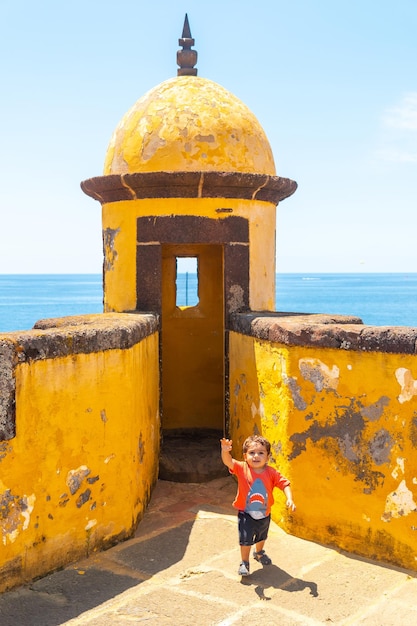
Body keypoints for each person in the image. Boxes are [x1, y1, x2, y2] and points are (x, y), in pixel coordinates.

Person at [220, 434, 296, 577]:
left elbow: (285, 484)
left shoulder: (272, 473)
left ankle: (259, 552)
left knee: (261, 537)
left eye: (261, 453)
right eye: (252, 453)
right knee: (245, 540)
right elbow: (228, 461)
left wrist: (290, 498)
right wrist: (225, 450)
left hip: (264, 513)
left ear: (267, 457)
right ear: (245, 456)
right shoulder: (242, 468)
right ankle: (244, 562)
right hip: (245, 513)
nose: (256, 456)